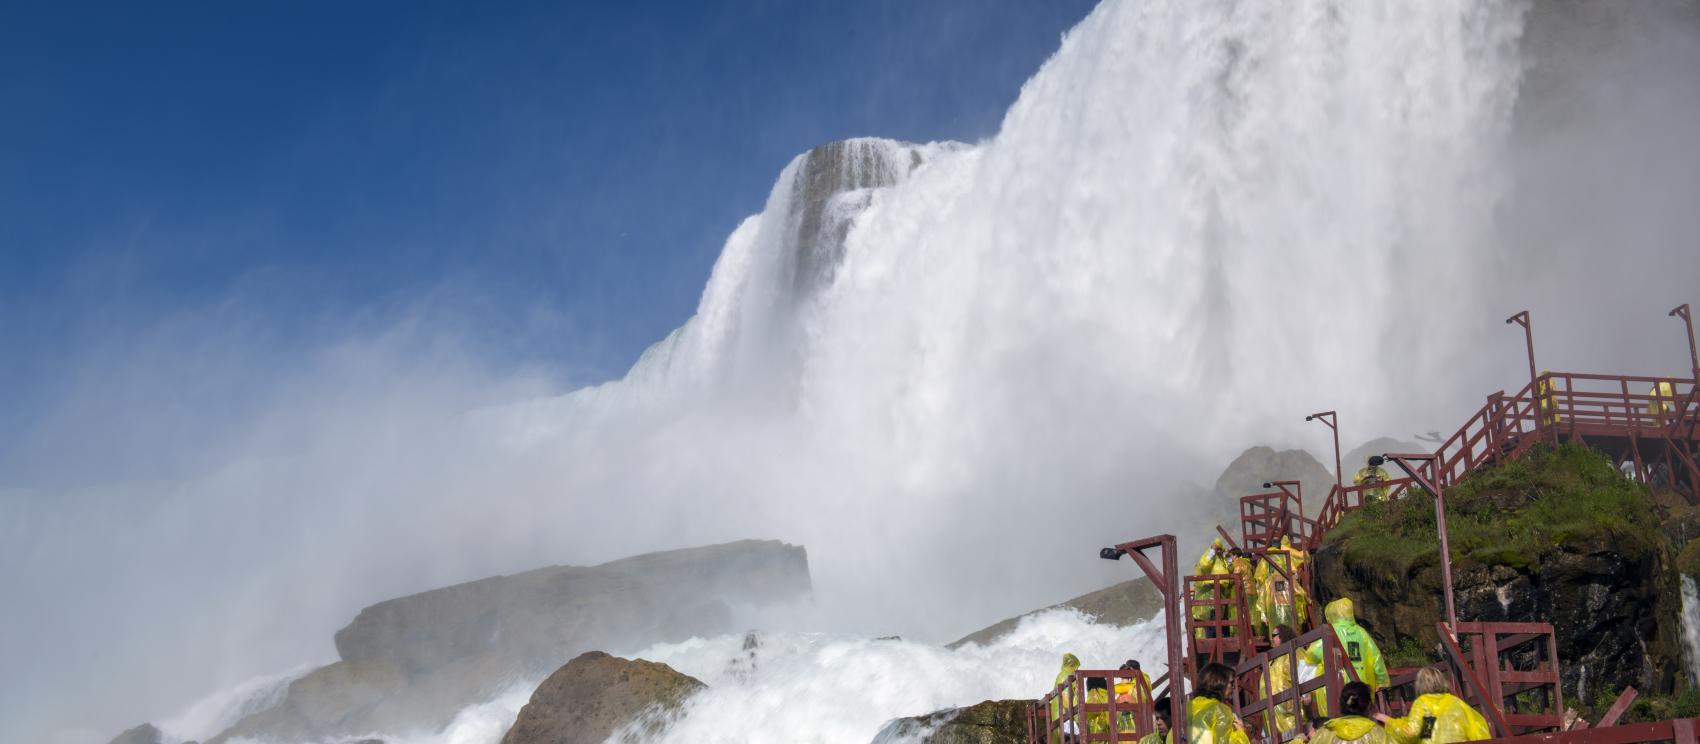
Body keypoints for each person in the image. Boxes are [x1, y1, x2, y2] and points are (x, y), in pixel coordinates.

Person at [1375, 667, 1491, 744]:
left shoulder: (1423, 702)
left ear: (1419, 685)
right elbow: (1478, 727)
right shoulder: (1456, 702)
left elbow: (1411, 732)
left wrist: (1388, 721)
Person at [1304, 598, 1390, 692]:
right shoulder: (1361, 633)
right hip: (1360, 684)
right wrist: (1382, 681)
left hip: (1336, 684)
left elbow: (1312, 654)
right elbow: (1376, 657)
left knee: (1338, 705)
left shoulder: (1329, 632)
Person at [1309, 682, 1393, 744]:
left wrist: (1299, 739)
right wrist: (1391, 722)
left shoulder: (1325, 733)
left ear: (1341, 704)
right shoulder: (1379, 733)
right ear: (1369, 705)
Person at [1190, 662, 1251, 744]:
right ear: (1220, 682)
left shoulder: (1187, 709)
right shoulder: (1219, 710)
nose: (1233, 688)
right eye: (1231, 683)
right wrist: (1242, 733)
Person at [1116, 660, 1154, 733]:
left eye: (1128, 670)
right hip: (1137, 718)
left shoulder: (1141, 680)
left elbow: (1135, 697)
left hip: (1138, 719)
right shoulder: (1138, 679)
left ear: (1131, 669)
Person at [1051, 652, 1081, 735]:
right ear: (1071, 666)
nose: (1076, 670)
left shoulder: (1061, 675)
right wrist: (1079, 717)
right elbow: (1066, 700)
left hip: (1058, 719)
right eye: (1076, 667)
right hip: (1064, 719)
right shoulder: (1067, 676)